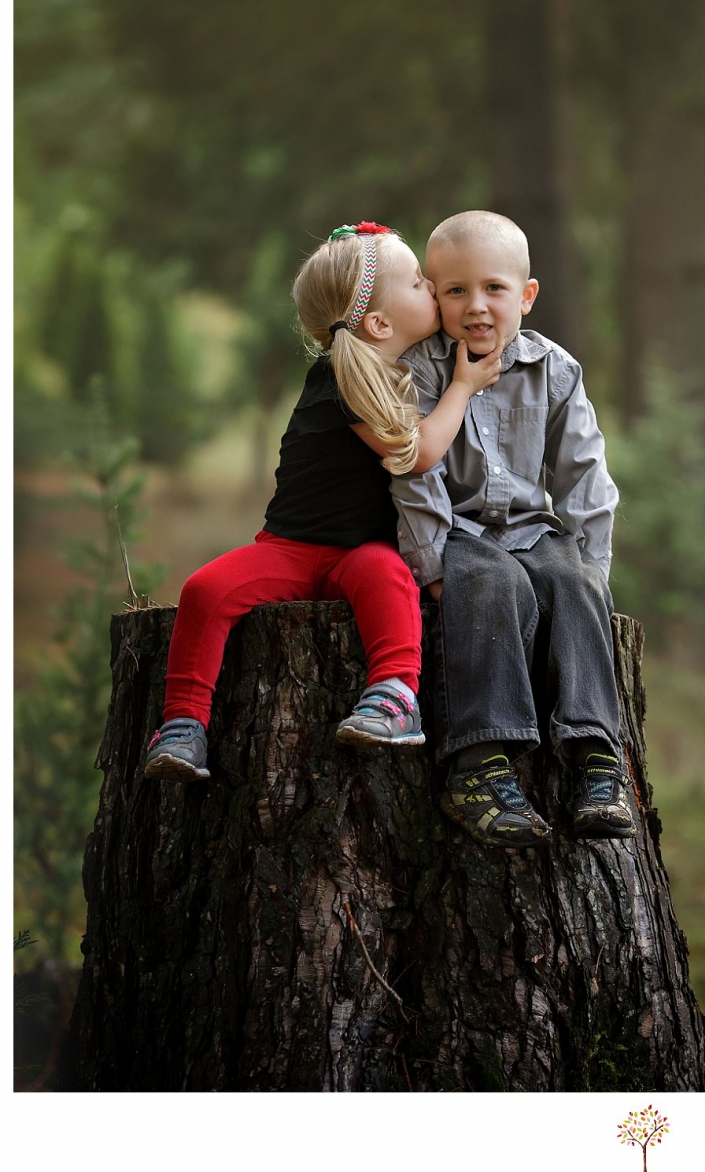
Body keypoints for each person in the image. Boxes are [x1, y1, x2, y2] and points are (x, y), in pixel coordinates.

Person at [144, 221, 503, 782]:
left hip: (361, 551)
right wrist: (464, 386)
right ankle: (184, 725)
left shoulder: (400, 369)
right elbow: (418, 454)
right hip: (289, 547)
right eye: (417, 283)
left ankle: (394, 695)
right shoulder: (345, 377)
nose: (432, 288)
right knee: (205, 590)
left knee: (388, 579)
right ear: (380, 323)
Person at [391, 210, 636, 847]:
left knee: (573, 583)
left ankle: (595, 756)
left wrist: (594, 568)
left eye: (494, 288)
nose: (476, 306)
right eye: (455, 291)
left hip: (533, 528)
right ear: (434, 295)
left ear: (525, 295)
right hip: (460, 534)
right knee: (493, 586)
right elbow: (413, 479)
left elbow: (585, 477)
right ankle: (479, 763)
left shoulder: (556, 370)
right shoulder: (420, 371)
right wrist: (433, 568)